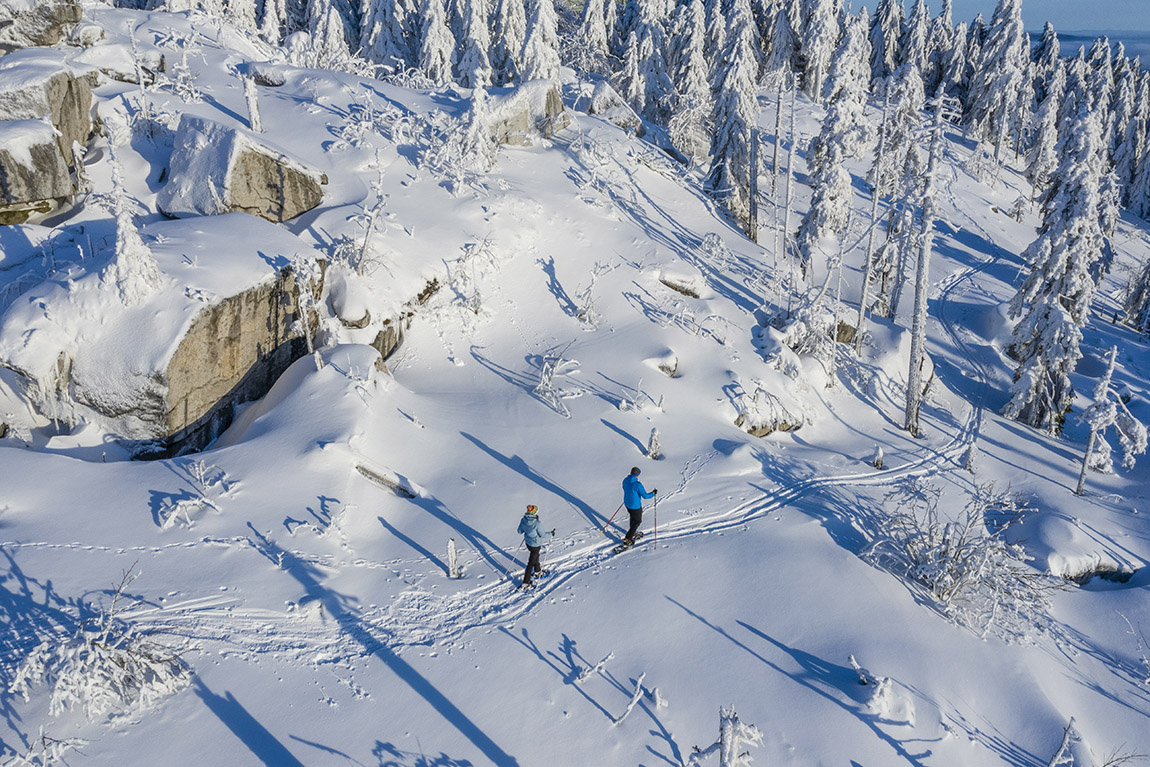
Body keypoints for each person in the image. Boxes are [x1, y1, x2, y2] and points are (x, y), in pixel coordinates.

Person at [517, 504, 554, 588]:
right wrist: (551, 534)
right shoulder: (537, 523)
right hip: (536, 544)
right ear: (535, 513)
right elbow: (542, 535)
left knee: (535, 556)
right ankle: (526, 582)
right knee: (530, 563)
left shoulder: (523, 520)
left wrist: (526, 529)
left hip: (528, 543)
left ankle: (538, 571)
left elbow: (519, 531)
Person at [621, 467, 656, 546]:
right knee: (637, 521)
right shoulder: (637, 484)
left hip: (627, 503)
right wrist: (653, 493)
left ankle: (633, 532)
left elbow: (624, 488)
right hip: (635, 506)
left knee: (633, 517)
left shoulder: (625, 480)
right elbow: (645, 496)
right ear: (637, 475)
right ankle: (628, 538)